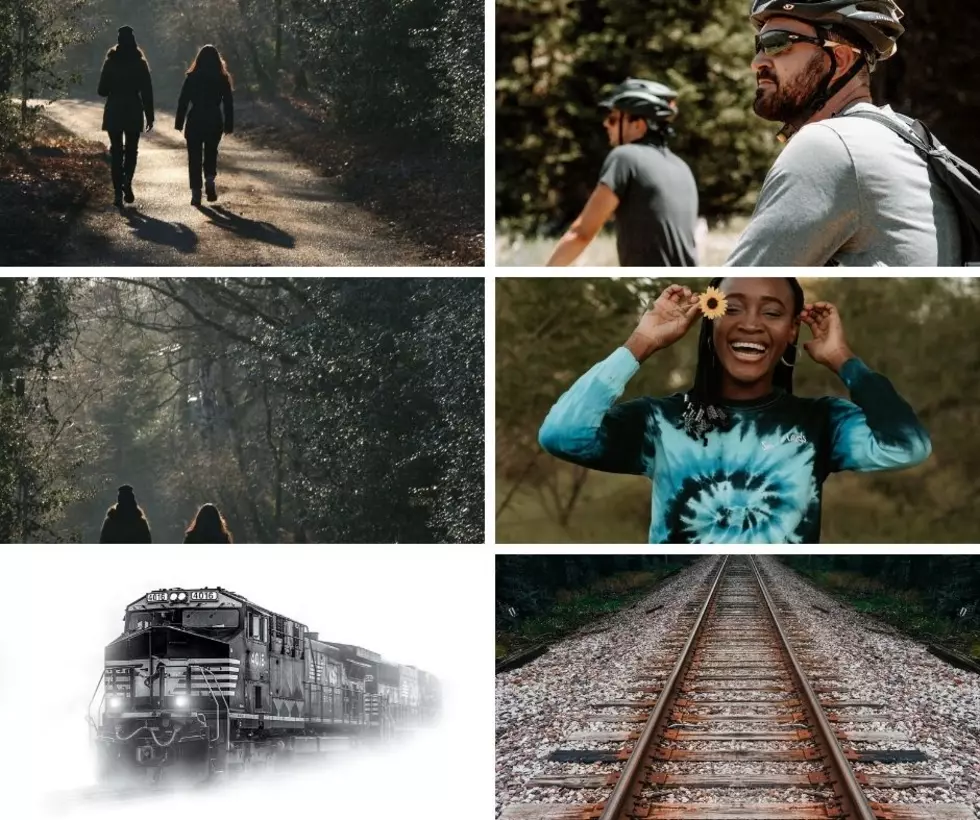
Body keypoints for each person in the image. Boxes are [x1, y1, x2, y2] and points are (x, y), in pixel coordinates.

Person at [538, 278, 931, 544]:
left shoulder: (822, 422)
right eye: (733, 308)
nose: (752, 325)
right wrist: (642, 341)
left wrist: (843, 359)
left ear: (793, 330)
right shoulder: (661, 421)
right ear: (709, 320)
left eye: (773, 313)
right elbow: (562, 434)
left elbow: (907, 445)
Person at [726, 0, 962, 266]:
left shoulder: (830, 145)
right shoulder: (901, 135)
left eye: (776, 43)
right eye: (759, 46)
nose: (756, 62)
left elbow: (736, 289)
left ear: (840, 59)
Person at [546, 78, 699, 267]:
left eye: (613, 119)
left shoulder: (625, 157)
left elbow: (581, 234)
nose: (606, 124)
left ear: (638, 125)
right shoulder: (682, 168)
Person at [97, 26, 154, 208]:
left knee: (116, 151)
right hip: (133, 109)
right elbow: (147, 91)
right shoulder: (140, 62)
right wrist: (150, 115)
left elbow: (101, 90)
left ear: (119, 40)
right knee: (131, 150)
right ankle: (127, 181)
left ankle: (117, 194)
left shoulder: (110, 61)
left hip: (114, 109)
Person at [175, 45, 234, 206]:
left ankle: (196, 193)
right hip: (214, 119)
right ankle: (209, 180)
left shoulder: (192, 77)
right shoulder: (222, 78)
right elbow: (228, 103)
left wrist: (179, 121)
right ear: (217, 60)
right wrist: (229, 123)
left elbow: (183, 100)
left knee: (194, 156)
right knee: (211, 152)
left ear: (199, 59)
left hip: (195, 119)